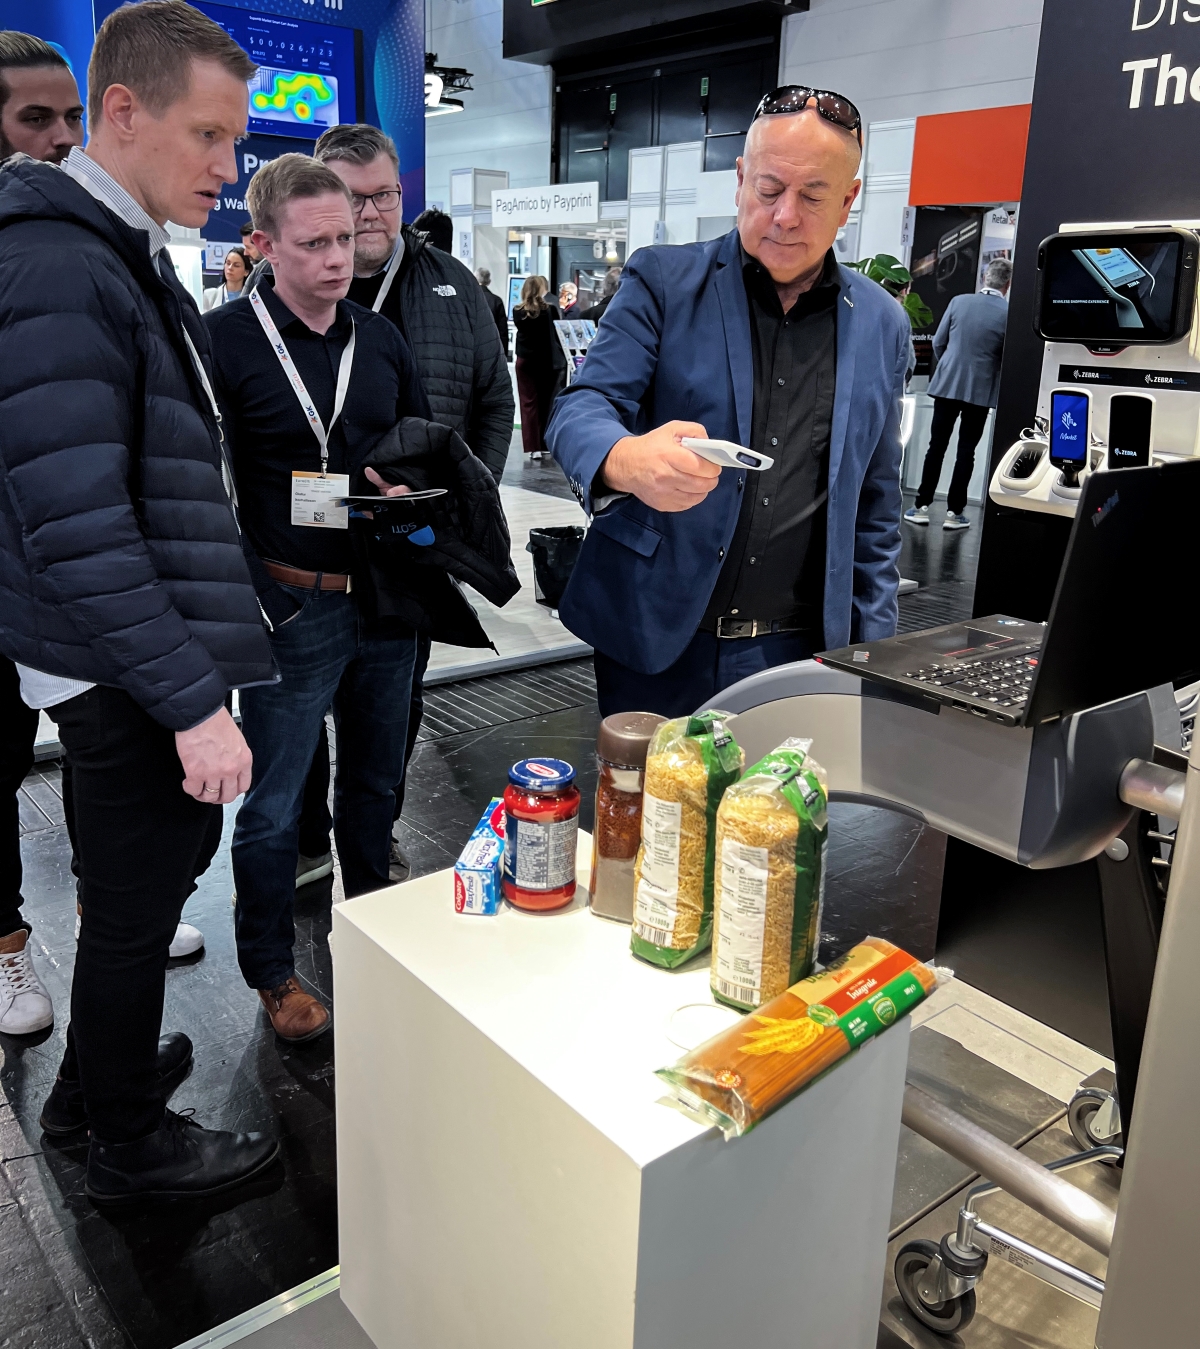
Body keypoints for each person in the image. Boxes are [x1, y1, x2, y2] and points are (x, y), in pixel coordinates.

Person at [0, 0, 279, 1201]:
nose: (229, 164)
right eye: (209, 134)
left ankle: (92, 1085)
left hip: (131, 648)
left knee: (149, 881)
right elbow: (75, 521)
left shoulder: (107, 247)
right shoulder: (58, 262)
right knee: (132, 901)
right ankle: (124, 1139)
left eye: (236, 138)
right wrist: (191, 703)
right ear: (122, 112)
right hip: (117, 661)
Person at [547, 86, 910, 718]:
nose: (786, 216)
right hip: (659, 639)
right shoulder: (663, 281)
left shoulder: (881, 322)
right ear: (740, 180)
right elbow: (583, 405)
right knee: (649, 788)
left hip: (803, 655)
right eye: (769, 189)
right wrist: (625, 459)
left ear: (848, 200)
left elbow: (876, 505)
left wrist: (873, 652)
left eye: (813, 196)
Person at [204, 154, 429, 1041]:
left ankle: (373, 932)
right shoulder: (222, 343)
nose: (339, 259)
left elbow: (416, 444)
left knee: (375, 783)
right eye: (314, 244)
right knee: (271, 809)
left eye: (345, 238)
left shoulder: (380, 340)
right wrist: (260, 600)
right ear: (263, 245)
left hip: (384, 601)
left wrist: (410, 490)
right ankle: (270, 970)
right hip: (292, 608)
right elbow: (201, 488)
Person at [287, 123, 513, 883]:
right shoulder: (279, 287)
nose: (370, 213)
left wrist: (462, 497)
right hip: (311, 543)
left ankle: (372, 829)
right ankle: (306, 836)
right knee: (301, 703)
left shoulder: (453, 284)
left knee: (394, 702)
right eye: (350, 197)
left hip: (412, 540)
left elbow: (494, 398)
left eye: (383, 194)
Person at [0, 32, 88, 1036]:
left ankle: (115, 918)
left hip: (68, 561)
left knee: (100, 748)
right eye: (36, 117)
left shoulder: (84, 240)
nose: (62, 137)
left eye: (71, 116)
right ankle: (8, 949)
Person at [905, 257, 1012, 532]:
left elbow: (939, 342)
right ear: (1007, 284)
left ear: (985, 278)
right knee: (967, 452)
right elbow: (1005, 357)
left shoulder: (958, 302)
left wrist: (951, 367)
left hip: (947, 386)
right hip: (980, 391)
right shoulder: (1008, 313)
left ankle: (921, 506)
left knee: (936, 447)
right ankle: (954, 512)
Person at [513, 275, 562, 460]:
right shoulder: (549, 310)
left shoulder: (518, 311)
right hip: (545, 362)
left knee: (528, 404)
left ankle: (533, 447)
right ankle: (544, 443)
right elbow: (555, 335)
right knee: (545, 403)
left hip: (524, 361)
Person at [203, 243, 249, 310]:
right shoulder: (209, 295)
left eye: (236, 265)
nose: (230, 268)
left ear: (246, 272)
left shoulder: (252, 297)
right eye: (228, 263)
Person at [477, 266, 510, 359]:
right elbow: (503, 331)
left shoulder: (469, 299)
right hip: (492, 349)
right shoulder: (497, 301)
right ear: (489, 281)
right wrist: (504, 354)